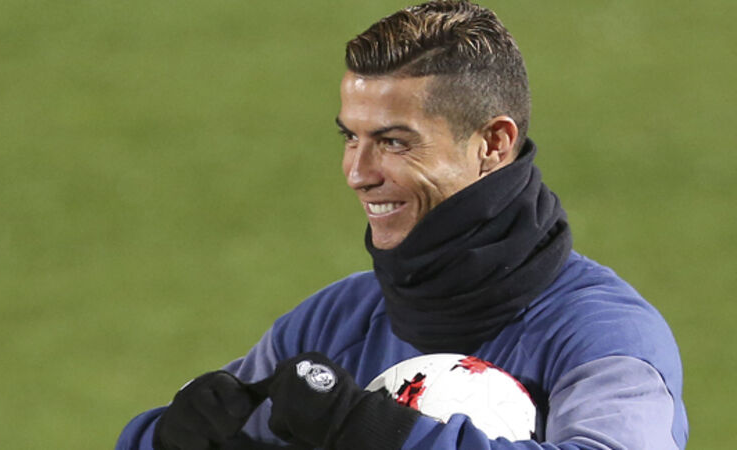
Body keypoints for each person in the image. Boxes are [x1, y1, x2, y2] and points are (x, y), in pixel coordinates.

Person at [116, 1, 688, 449]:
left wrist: (373, 431)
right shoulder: (333, 321)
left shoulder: (603, 336)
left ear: (493, 144)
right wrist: (165, 438)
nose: (358, 174)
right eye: (350, 137)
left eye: (393, 142)